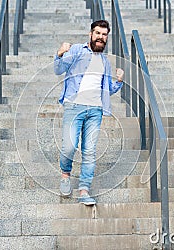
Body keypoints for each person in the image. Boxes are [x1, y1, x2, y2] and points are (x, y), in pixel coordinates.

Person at [53, 20, 124, 205]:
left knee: (90, 151)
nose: (101, 37)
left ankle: (84, 189)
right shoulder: (77, 50)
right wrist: (60, 53)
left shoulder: (105, 61)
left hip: (95, 110)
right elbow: (58, 69)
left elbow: (108, 88)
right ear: (91, 34)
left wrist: (118, 81)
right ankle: (65, 175)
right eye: (98, 33)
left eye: (104, 34)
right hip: (74, 106)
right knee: (69, 146)